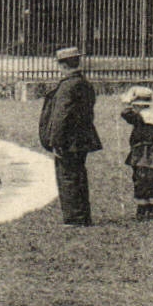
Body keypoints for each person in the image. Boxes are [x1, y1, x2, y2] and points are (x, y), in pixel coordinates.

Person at [38, 46, 102, 226]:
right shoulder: (84, 83)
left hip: (68, 140)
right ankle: (83, 216)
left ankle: (74, 218)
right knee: (79, 175)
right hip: (82, 138)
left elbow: (61, 117)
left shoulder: (67, 86)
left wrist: (56, 142)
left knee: (67, 177)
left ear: (63, 65)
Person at [120, 86, 153, 221]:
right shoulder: (151, 117)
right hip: (151, 154)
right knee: (148, 181)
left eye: (135, 106)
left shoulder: (142, 117)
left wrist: (126, 104)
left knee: (141, 180)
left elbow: (127, 115)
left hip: (143, 154)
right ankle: (148, 208)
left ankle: (142, 211)